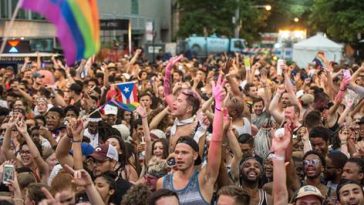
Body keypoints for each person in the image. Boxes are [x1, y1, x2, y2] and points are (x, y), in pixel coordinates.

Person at [156, 73, 225, 205]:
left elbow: (217, 138)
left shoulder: (204, 179)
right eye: (177, 152)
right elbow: (168, 96)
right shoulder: (163, 183)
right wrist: (167, 73)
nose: (179, 156)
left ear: (195, 155)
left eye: (184, 152)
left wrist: (218, 103)